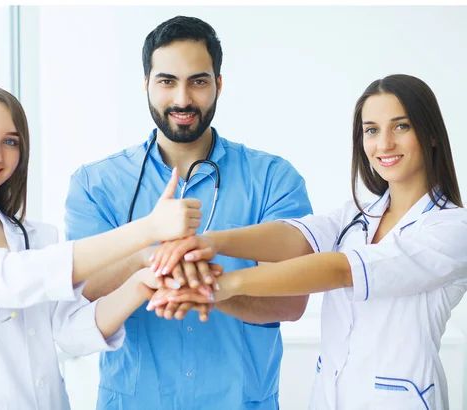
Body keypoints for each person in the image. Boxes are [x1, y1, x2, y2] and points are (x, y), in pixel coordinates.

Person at [149, 74, 467, 410]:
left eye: (401, 127)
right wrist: (207, 243)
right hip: (330, 398)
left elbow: (341, 270)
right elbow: (295, 238)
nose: (384, 144)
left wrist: (219, 285)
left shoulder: (452, 228)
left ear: (431, 134)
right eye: (371, 130)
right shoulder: (356, 215)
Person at [0, 85, 209, 410]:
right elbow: (13, 279)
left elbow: (69, 332)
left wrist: (141, 283)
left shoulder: (36, 236)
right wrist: (146, 230)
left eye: (10, 141)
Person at [64, 16, 312, 409]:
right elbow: (84, 290)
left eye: (198, 81)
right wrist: (151, 258)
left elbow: (292, 300)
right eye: (166, 81)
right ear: (145, 84)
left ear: (219, 85)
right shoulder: (96, 185)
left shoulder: (273, 179)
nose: (182, 99)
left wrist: (207, 291)